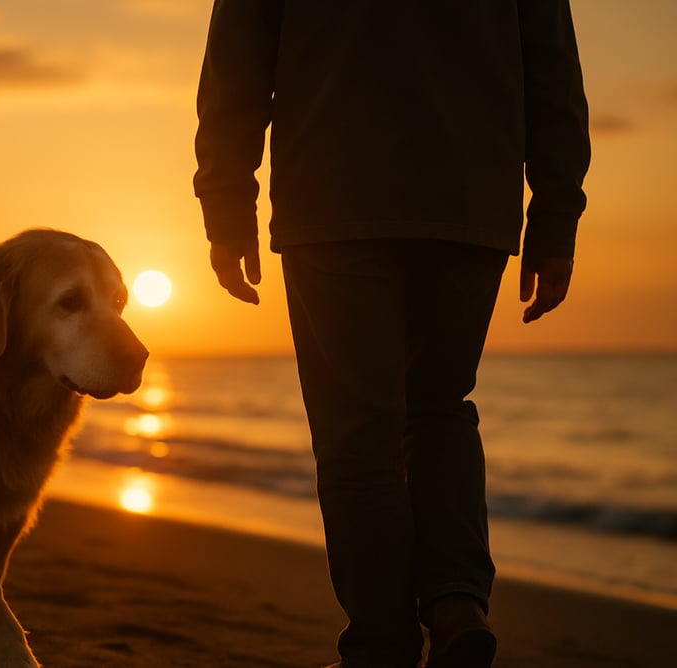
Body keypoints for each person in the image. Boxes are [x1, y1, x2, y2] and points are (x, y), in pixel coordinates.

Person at [193, 2, 590, 667]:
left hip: (333, 196)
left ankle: (380, 646)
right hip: (468, 198)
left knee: (358, 436)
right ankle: (457, 604)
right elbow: (552, 64)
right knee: (439, 409)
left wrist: (227, 203)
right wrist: (555, 217)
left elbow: (237, 61)